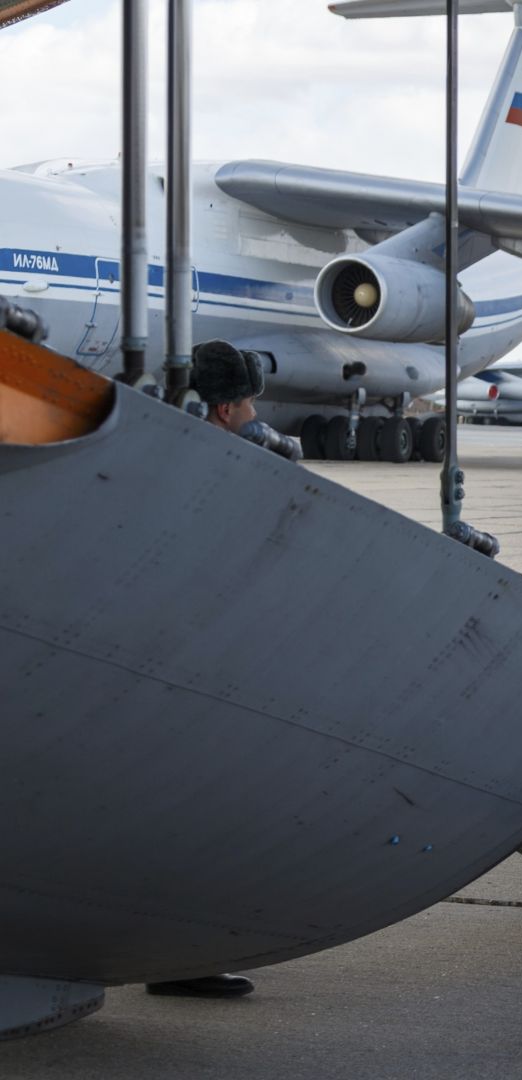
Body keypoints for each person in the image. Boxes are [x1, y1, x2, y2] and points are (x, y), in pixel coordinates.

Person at [141, 339, 273, 1003]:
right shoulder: (233, 457)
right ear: (225, 408)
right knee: (204, 820)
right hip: (205, 671)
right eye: (247, 402)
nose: (254, 413)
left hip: (157, 666)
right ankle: (180, 956)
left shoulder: (153, 443)